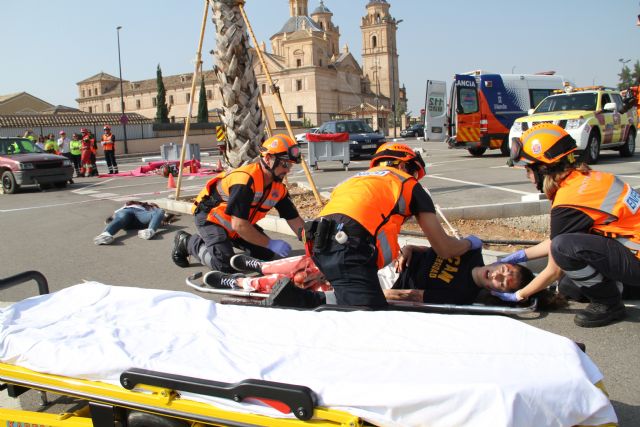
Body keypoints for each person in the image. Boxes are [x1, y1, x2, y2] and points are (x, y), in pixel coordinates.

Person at [257, 142, 482, 309]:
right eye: (415, 172)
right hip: (348, 246)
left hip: (319, 242)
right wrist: (469, 243)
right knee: (371, 319)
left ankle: (300, 300)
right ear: (405, 164)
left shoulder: (357, 179)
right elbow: (444, 248)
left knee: (353, 301)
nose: (416, 178)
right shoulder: (407, 184)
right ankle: (295, 304)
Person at [493, 123, 640, 327]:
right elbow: (559, 240)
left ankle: (609, 304)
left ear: (543, 168)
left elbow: (557, 261)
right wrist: (521, 255)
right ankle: (629, 288)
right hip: (631, 248)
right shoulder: (587, 179)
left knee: (564, 250)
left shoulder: (569, 201)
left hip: (635, 255)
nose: (527, 175)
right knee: (570, 286)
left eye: (528, 168)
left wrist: (519, 295)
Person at [202, 247, 541, 309]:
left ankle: (241, 282)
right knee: (315, 260)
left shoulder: (463, 295)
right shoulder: (468, 253)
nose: (499, 276)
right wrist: (409, 249)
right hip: (390, 259)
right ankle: (259, 266)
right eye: (506, 272)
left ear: (498, 291)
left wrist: (373, 297)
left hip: (384, 283)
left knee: (311, 279)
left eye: (503, 283)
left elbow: (412, 297)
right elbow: (426, 248)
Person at [171, 134, 306, 272]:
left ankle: (222, 243)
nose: (288, 170)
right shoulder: (244, 180)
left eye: (290, 165)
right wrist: (269, 243)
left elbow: (294, 220)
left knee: (267, 255)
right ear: (267, 159)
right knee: (224, 265)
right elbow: (239, 224)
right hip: (210, 219)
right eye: (284, 164)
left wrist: (312, 243)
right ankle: (187, 242)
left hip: (237, 226)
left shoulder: (278, 188)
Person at [94, 200, 178, 245]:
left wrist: (163, 218)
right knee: (123, 217)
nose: (154, 207)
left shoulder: (154, 210)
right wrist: (111, 219)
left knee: (160, 211)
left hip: (140, 219)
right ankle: (105, 235)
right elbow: (116, 216)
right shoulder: (136, 205)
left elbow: (164, 214)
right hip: (129, 213)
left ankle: (150, 231)